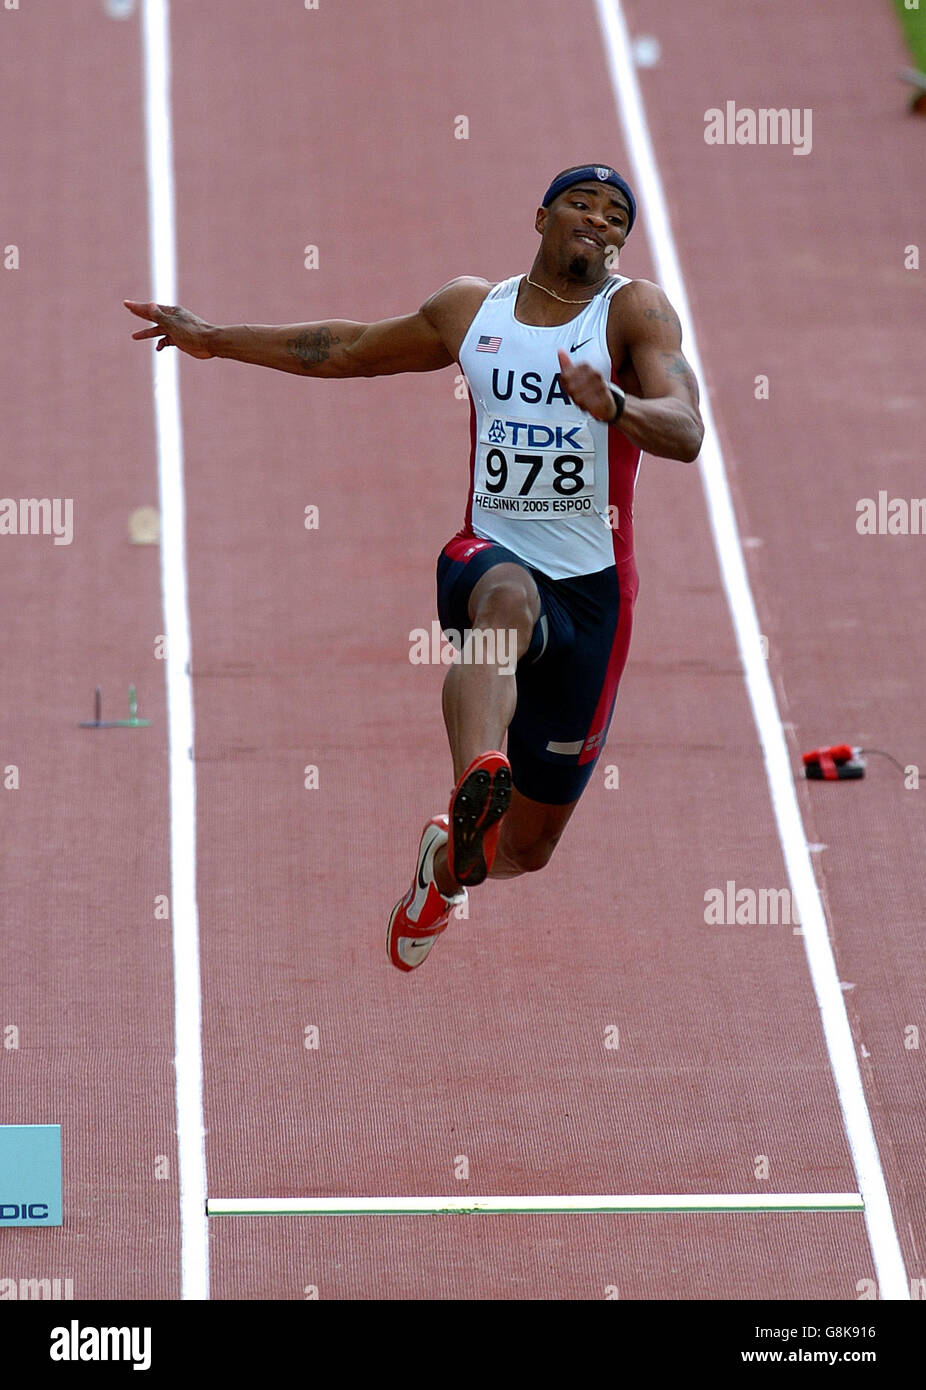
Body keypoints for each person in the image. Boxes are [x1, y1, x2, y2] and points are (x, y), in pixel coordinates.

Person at [125, 163, 704, 974]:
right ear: (539, 217)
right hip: (492, 552)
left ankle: (448, 864)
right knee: (505, 602)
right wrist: (214, 339)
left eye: (616, 216)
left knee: (528, 850)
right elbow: (347, 348)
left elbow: (686, 430)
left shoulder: (633, 312)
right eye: (582, 203)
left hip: (597, 591)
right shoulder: (473, 309)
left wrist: (616, 406)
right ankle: (477, 776)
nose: (599, 220)